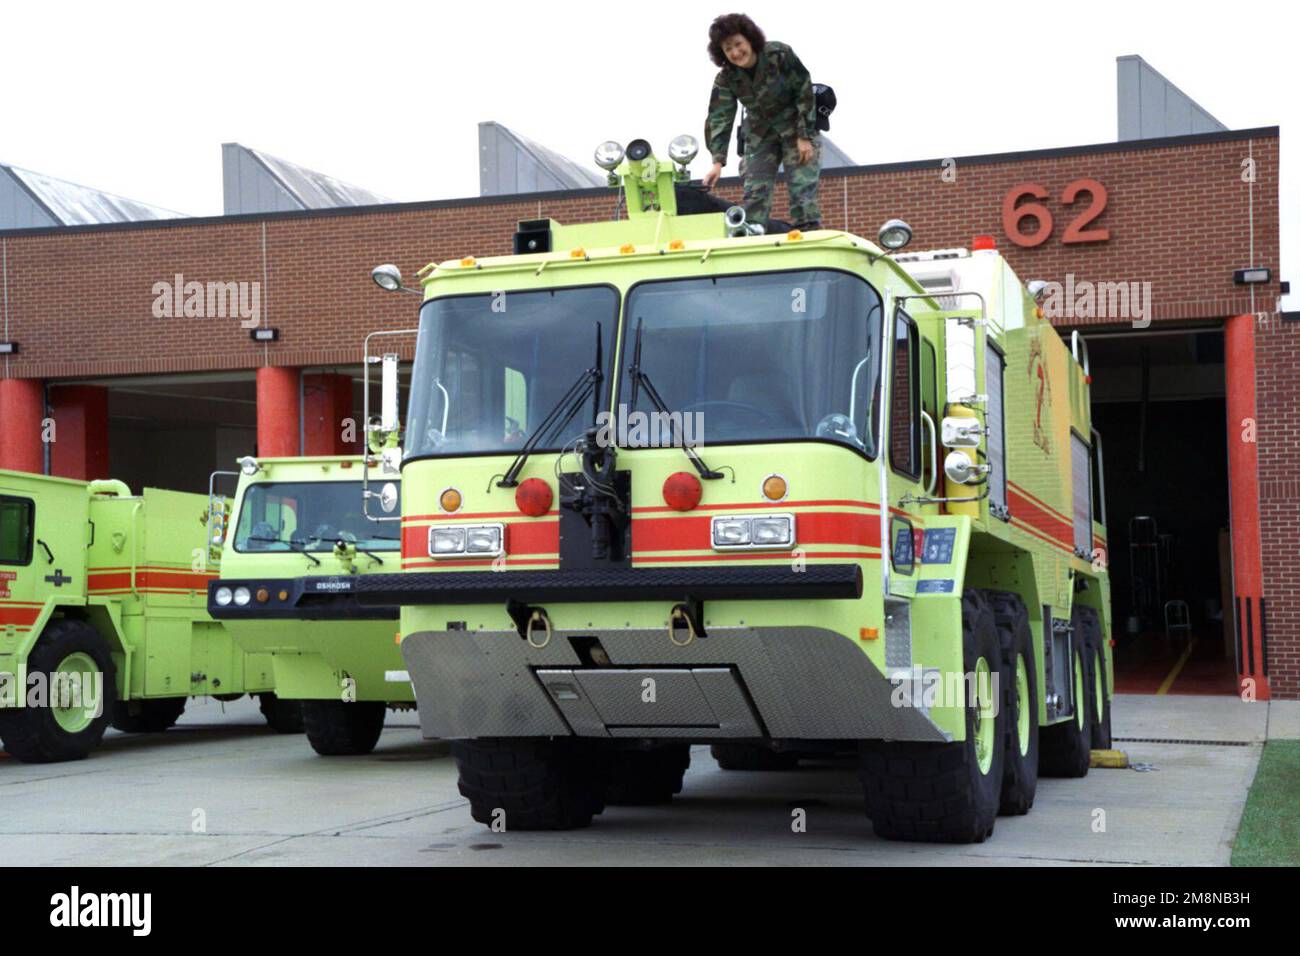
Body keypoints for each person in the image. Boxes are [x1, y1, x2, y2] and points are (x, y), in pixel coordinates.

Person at [701, 13, 821, 231]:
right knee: (755, 192)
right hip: (760, 134)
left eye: (738, 44)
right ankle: (755, 231)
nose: (736, 53)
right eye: (728, 49)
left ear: (749, 39)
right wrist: (717, 161)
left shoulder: (779, 54)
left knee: (802, 190)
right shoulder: (727, 77)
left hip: (796, 127)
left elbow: (804, 91)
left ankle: (808, 231)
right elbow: (720, 116)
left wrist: (804, 136)